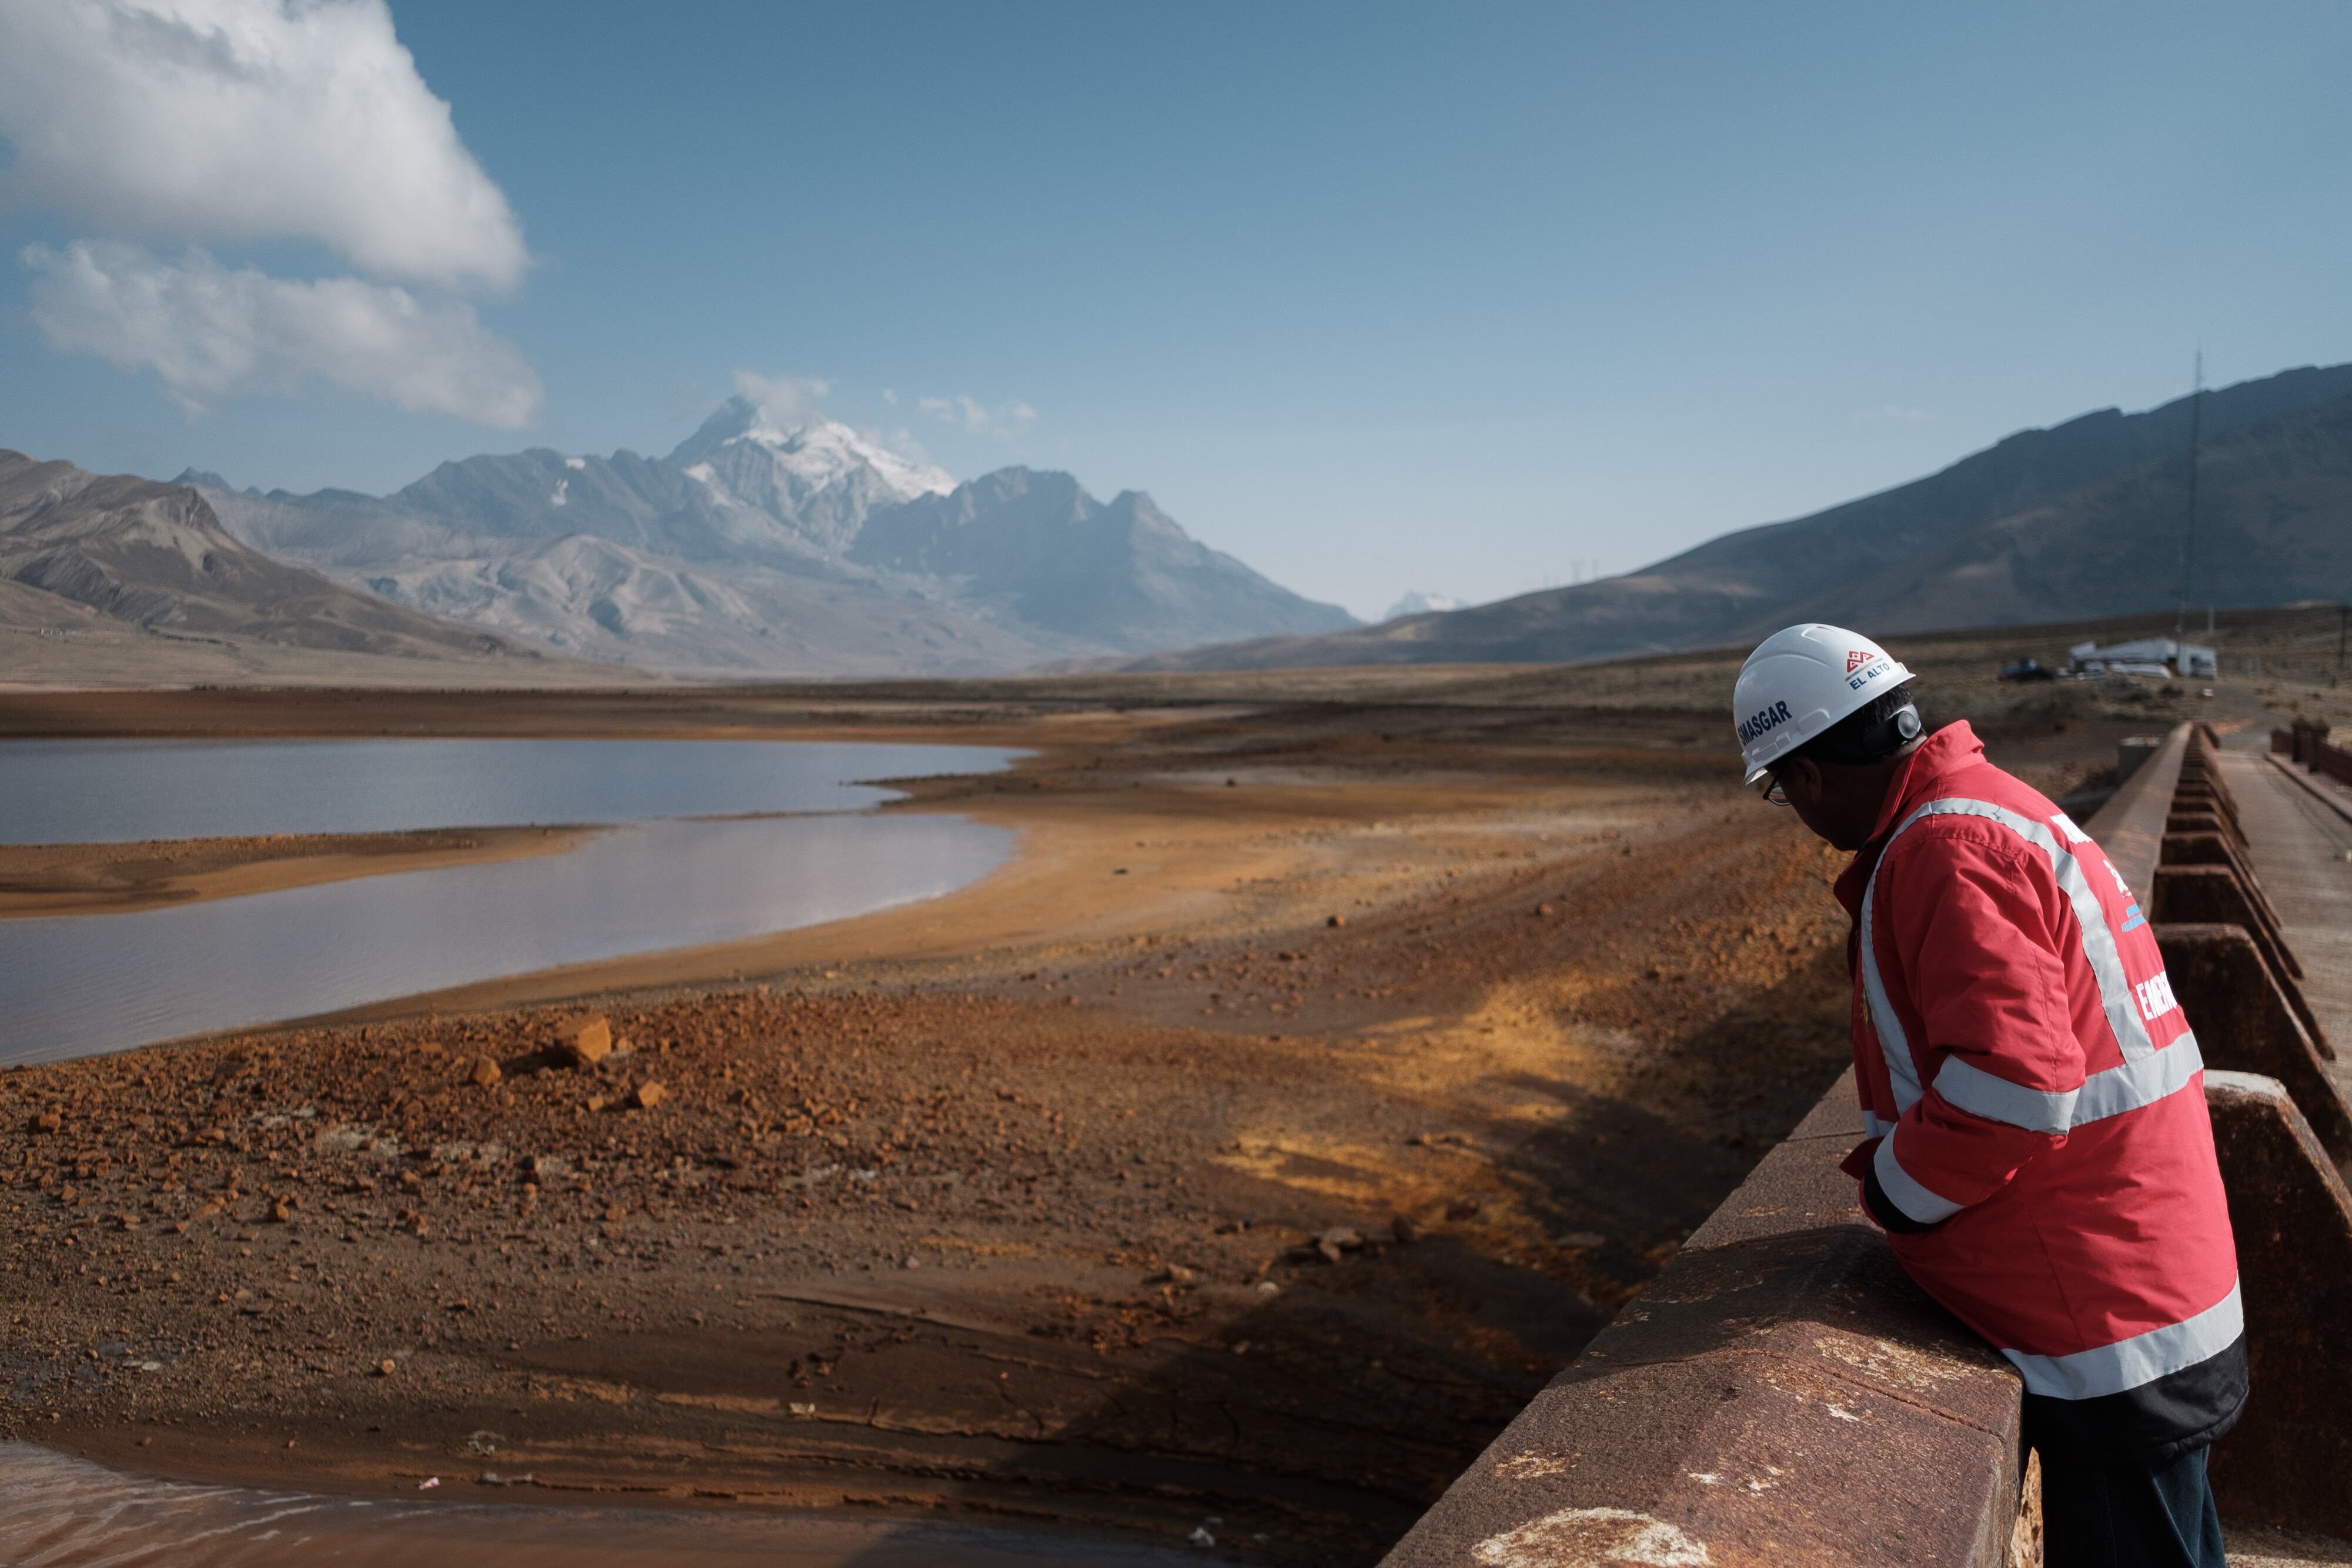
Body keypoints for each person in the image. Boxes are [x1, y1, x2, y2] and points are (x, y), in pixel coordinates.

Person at [1734, 623, 2245, 1568]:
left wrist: (1895, 1191)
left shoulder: (1944, 847)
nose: (1795, 811)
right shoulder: (1992, 808)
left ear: (1808, 773)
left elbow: (2014, 1081)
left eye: (1783, 791)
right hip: (2141, 1284)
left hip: (2101, 1320)